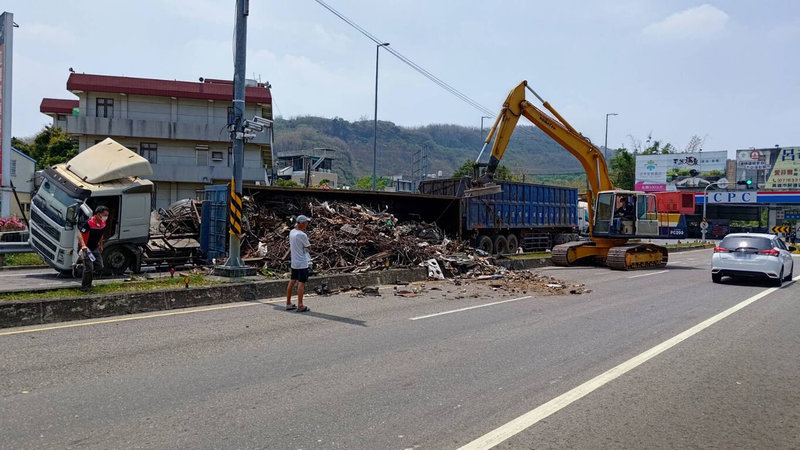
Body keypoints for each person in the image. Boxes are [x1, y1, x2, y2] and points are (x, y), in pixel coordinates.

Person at [77, 205, 109, 291]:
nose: (106, 217)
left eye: (107, 215)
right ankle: (85, 287)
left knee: (100, 266)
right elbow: (79, 234)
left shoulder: (103, 223)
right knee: (89, 269)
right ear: (98, 214)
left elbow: (101, 235)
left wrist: (101, 245)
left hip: (95, 247)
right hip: (87, 248)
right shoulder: (89, 223)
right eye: (104, 215)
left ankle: (82, 268)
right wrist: (83, 245)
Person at [286, 214, 312, 312]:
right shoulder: (302, 235)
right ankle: (300, 305)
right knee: (301, 283)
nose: (307, 225)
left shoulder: (292, 232)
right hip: (302, 262)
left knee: (292, 281)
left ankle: (288, 303)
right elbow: (309, 248)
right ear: (301, 223)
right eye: (306, 223)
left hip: (294, 262)